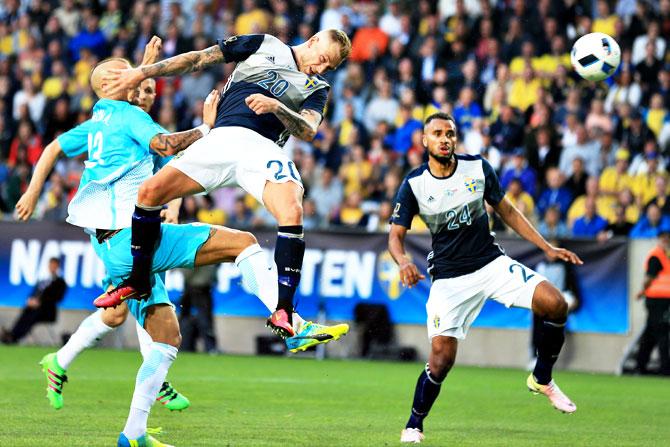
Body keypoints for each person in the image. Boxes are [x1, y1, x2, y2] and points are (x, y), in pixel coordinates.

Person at [16, 56, 347, 447]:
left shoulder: (100, 121)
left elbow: (89, 134)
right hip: (133, 236)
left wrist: (33, 192)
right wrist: (208, 128)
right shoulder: (129, 117)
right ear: (112, 83)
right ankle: (290, 320)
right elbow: (165, 143)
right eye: (133, 76)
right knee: (245, 244)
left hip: (113, 241)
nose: (144, 84)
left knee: (165, 337)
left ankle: (133, 433)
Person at [98, 29, 352, 339]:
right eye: (323, 60)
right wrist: (142, 72)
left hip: (262, 147)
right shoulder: (264, 44)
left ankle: (284, 310)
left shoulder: (317, 87)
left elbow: (309, 129)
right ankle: (138, 279)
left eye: (330, 67)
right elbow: (198, 59)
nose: (322, 68)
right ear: (313, 41)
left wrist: (278, 108)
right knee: (149, 192)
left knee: (292, 210)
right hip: (222, 137)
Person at [15, 38, 192, 415]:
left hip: (126, 227)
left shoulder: (136, 123)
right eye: (140, 87)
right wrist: (32, 192)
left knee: (115, 314)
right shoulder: (115, 122)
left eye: (149, 89)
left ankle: (59, 361)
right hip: (116, 229)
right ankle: (155, 385)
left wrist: (173, 205)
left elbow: (175, 172)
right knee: (147, 293)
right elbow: (53, 149)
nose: (146, 93)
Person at [388, 113, 582, 444]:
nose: (445, 138)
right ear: (424, 141)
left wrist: (546, 247)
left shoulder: (477, 168)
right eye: (437, 133)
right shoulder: (414, 184)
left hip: (491, 264)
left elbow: (507, 211)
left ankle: (542, 378)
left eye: (450, 132)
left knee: (556, 304)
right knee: (441, 361)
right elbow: (395, 236)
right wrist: (403, 260)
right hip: (449, 279)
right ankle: (414, 424)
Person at [1, 257, 66, 344]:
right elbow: (34, 293)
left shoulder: (61, 282)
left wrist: (40, 302)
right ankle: (12, 334)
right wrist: (30, 300)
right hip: (35, 308)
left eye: (54, 265)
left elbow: (58, 298)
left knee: (33, 314)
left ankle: (14, 337)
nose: (52, 267)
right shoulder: (43, 281)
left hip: (47, 311)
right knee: (27, 311)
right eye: (51, 265)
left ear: (57, 267)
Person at [635, 227, 670, 375]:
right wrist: (643, 290)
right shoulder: (657, 256)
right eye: (663, 238)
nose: (666, 240)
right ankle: (665, 368)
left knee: (650, 333)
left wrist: (642, 292)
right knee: (663, 333)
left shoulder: (664, 255)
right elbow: (649, 278)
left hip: (661, 300)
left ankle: (640, 366)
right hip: (657, 301)